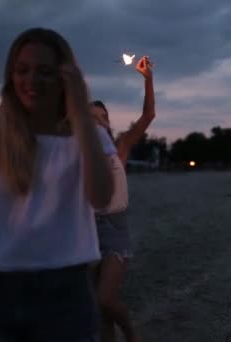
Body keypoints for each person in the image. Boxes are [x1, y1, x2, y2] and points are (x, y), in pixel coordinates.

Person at [0, 27, 115, 341]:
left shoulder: (88, 134)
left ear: (66, 78)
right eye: (22, 70)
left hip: (66, 292)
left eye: (45, 72)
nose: (31, 81)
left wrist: (80, 113)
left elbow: (101, 197)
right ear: (11, 75)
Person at [89, 56, 155, 342]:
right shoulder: (75, 153)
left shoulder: (120, 147)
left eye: (104, 117)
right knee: (96, 308)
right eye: (92, 119)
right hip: (86, 231)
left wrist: (148, 79)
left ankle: (130, 332)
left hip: (115, 230)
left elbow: (148, 116)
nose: (100, 122)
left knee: (104, 300)